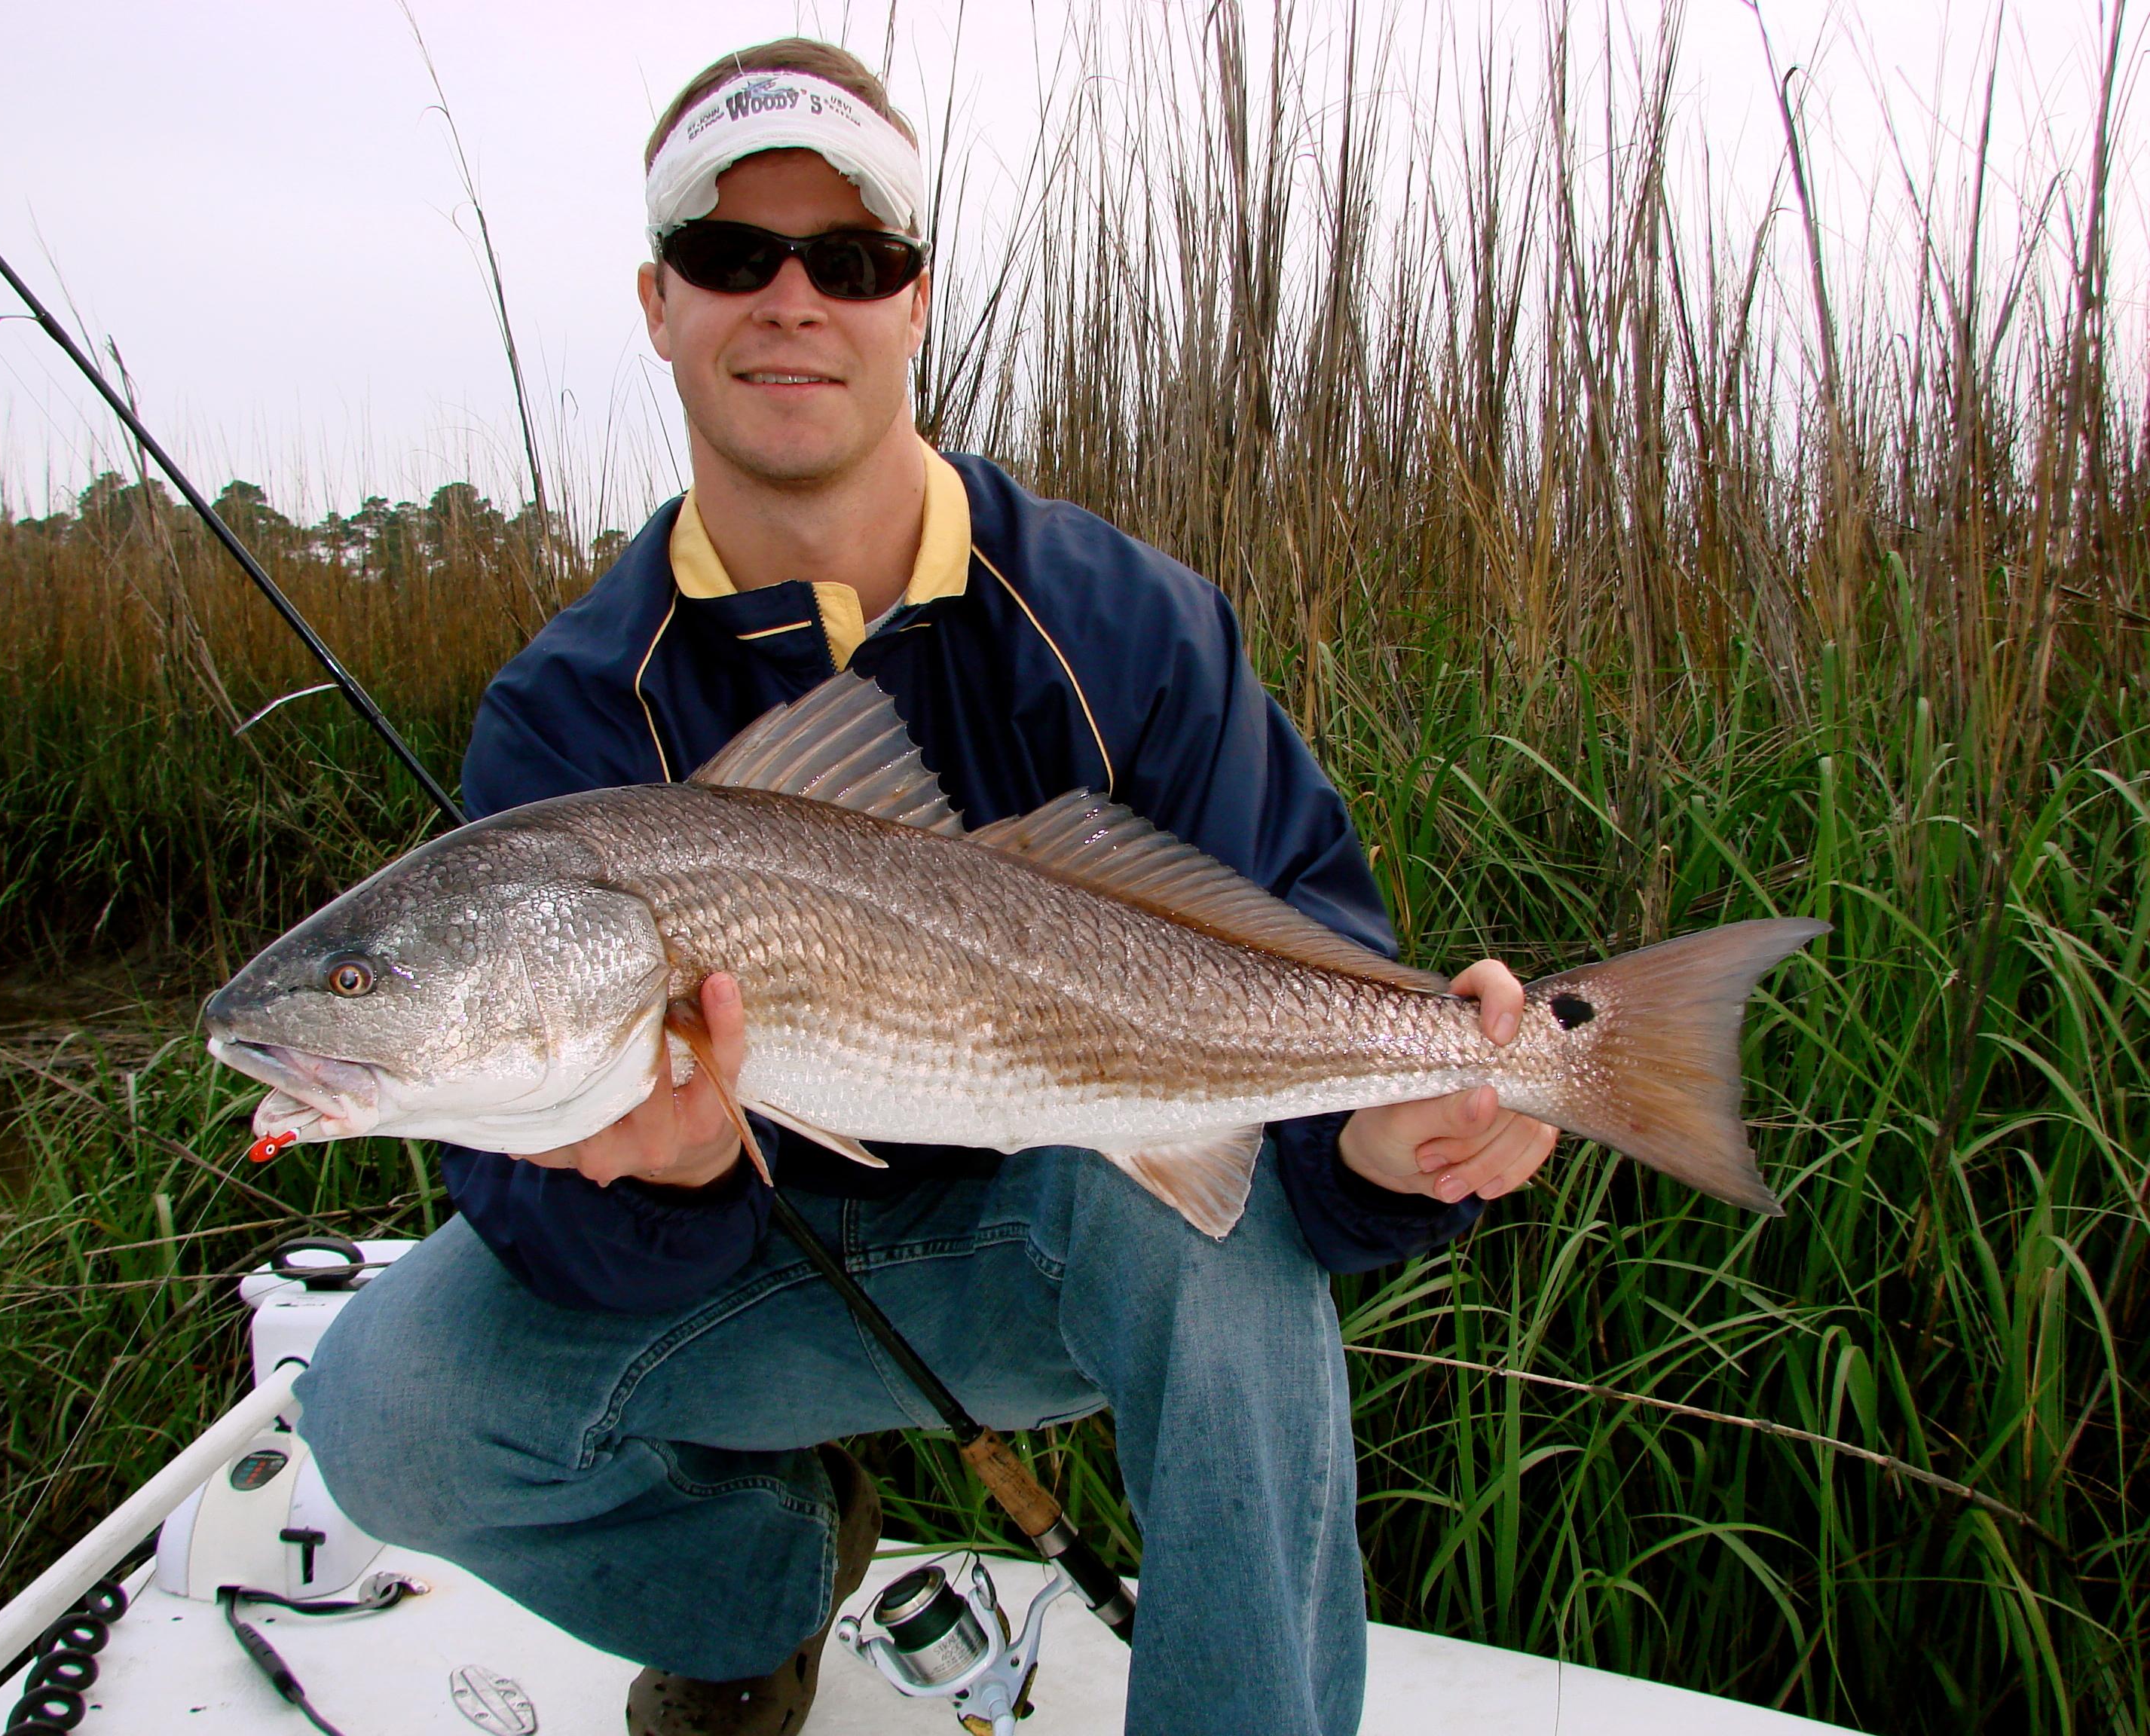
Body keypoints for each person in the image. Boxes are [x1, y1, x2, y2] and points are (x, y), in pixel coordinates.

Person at [297, 38, 1560, 1736]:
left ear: (916, 300)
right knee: (385, 1409)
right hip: (758, 1277)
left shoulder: (1127, 628)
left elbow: (1310, 981)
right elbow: (517, 1189)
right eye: (736, 258)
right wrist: (657, 1187)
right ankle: (765, 1585)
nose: (792, 301)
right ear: (661, 302)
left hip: (1070, 1240)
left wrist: (1391, 1153)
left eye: (854, 259)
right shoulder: (574, 708)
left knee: (1230, 1230)